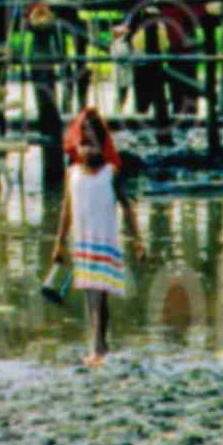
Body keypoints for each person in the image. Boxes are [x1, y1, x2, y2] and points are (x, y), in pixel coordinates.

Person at [49, 106, 133, 360]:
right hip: (83, 242)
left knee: (98, 297)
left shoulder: (111, 173)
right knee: (93, 297)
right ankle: (101, 346)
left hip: (104, 241)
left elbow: (127, 207)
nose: (87, 145)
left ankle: (96, 349)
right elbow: (67, 211)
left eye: (92, 137)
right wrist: (59, 244)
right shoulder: (72, 174)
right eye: (84, 138)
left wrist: (138, 240)